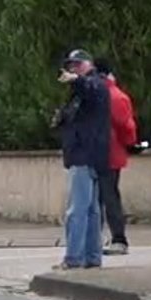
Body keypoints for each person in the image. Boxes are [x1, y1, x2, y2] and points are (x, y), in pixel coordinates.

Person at [53, 49, 110, 270]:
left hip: (84, 155)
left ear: (88, 64)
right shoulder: (82, 92)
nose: (73, 68)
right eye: (71, 65)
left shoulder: (95, 84)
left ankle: (74, 257)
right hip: (90, 154)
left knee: (77, 209)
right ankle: (92, 257)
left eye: (78, 64)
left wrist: (76, 80)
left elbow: (90, 88)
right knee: (91, 209)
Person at [94, 58, 138, 255]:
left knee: (106, 197)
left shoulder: (108, 96)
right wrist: (130, 144)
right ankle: (115, 238)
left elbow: (125, 127)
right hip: (112, 153)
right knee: (108, 196)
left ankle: (118, 238)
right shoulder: (115, 95)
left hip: (107, 154)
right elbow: (127, 128)